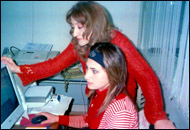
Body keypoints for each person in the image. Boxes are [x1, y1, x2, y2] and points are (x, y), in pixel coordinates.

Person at [1, 1, 176, 129]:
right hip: (99, 95)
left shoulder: (119, 43)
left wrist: (157, 116)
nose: (75, 33)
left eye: (79, 27)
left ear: (94, 25)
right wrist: (19, 69)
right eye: (73, 27)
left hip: (119, 99)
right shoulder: (81, 42)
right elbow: (55, 64)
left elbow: (147, 76)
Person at [34, 42, 139, 129]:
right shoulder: (99, 92)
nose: (86, 76)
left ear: (112, 73)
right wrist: (57, 118)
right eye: (88, 68)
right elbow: (88, 120)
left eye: (95, 71)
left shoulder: (120, 112)